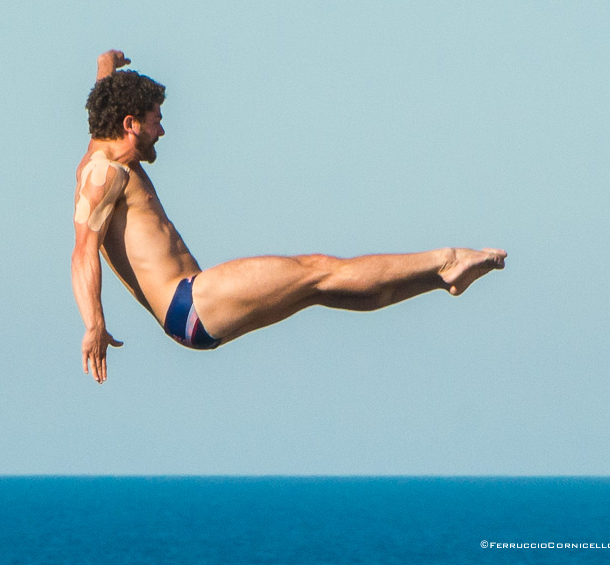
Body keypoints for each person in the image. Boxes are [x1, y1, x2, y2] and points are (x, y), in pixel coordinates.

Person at [72, 50, 507, 384]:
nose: (161, 131)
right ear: (130, 124)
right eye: (155, 121)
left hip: (192, 315)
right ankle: (444, 260)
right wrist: (94, 324)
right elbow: (82, 252)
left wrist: (106, 68)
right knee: (317, 269)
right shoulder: (105, 175)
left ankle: (440, 278)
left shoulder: (104, 148)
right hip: (189, 301)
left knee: (321, 288)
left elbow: (103, 108)